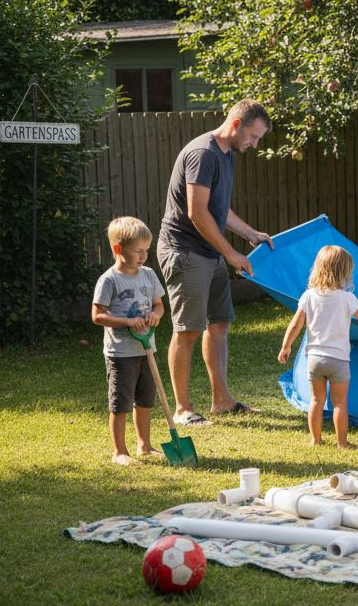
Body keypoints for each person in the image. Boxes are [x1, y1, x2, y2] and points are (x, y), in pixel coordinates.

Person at [157, 99, 273, 427]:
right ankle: (183, 409)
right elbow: (197, 212)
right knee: (187, 330)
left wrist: (249, 233)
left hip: (207, 251)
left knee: (219, 323)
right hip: (185, 251)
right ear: (236, 124)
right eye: (253, 135)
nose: (255, 143)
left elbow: (218, 208)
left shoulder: (226, 155)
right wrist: (231, 254)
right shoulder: (203, 154)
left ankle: (222, 400)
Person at [278, 246, 358, 447]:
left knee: (316, 401)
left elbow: (295, 324)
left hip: (314, 359)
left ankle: (316, 440)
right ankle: (342, 443)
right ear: (345, 272)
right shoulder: (347, 298)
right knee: (339, 403)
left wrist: (286, 346)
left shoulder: (308, 296)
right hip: (339, 359)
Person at [92, 217, 166, 466]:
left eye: (147, 250)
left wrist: (156, 314)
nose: (144, 256)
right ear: (118, 249)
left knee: (145, 400)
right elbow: (97, 315)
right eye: (138, 251)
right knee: (120, 403)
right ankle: (120, 451)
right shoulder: (110, 280)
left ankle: (144, 445)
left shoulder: (148, 275)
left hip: (146, 350)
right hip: (120, 352)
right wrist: (127, 322)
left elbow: (158, 304)